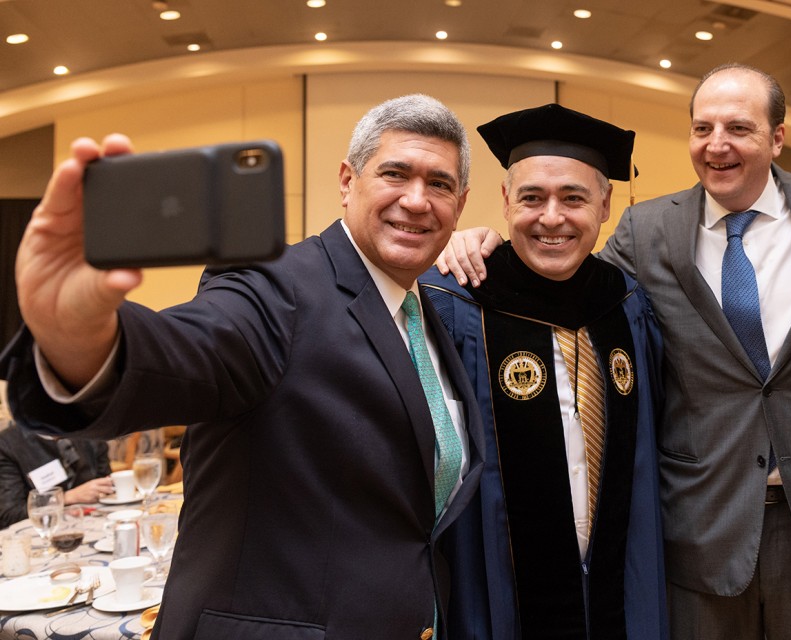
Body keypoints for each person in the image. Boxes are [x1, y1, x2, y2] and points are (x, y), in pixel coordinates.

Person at [436, 64, 791, 639]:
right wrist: (481, 239)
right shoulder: (647, 231)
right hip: (701, 526)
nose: (718, 145)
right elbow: (565, 268)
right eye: (702, 128)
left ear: (777, 138)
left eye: (739, 128)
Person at [0, 94, 484, 640]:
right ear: (348, 181)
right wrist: (80, 335)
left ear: (461, 203)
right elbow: (191, 351)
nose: (417, 201)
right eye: (395, 173)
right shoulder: (278, 284)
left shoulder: (429, 312)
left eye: (439, 184)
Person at [420, 104, 667, 639]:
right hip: (499, 594)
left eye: (573, 198)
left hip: (616, 586)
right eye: (532, 197)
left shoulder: (626, 304)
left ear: (604, 206)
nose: (551, 217)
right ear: (506, 202)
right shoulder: (456, 302)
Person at [0, 424, 113, 529]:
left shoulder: (88, 429)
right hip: (42, 533)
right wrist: (65, 498)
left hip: (94, 524)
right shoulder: (8, 444)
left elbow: (107, 485)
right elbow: (10, 515)